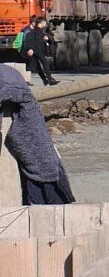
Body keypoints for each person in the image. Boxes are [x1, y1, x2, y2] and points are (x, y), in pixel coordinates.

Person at [1, 63, 76, 205]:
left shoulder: (6, 79)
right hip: (30, 155)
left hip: (39, 164)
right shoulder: (8, 74)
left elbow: (7, 91)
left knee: (47, 206)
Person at [23, 15, 56, 86]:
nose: (45, 24)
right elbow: (36, 42)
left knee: (36, 65)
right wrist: (31, 49)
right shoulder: (39, 30)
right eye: (44, 22)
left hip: (33, 50)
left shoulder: (35, 30)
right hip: (37, 50)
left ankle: (45, 80)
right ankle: (50, 79)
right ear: (41, 23)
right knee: (44, 63)